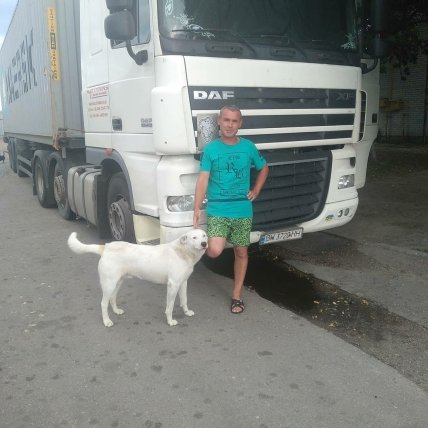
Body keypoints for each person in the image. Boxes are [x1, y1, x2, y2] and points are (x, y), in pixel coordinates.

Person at [193, 105, 269, 314]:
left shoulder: (248, 147)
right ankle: (214, 239)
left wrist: (256, 189)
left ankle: (236, 296)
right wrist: (197, 207)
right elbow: (203, 179)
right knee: (214, 251)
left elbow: (264, 168)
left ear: (240, 123)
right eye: (226, 120)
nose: (229, 125)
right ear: (219, 121)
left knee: (241, 251)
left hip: (242, 209)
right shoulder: (211, 150)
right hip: (218, 208)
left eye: (234, 121)